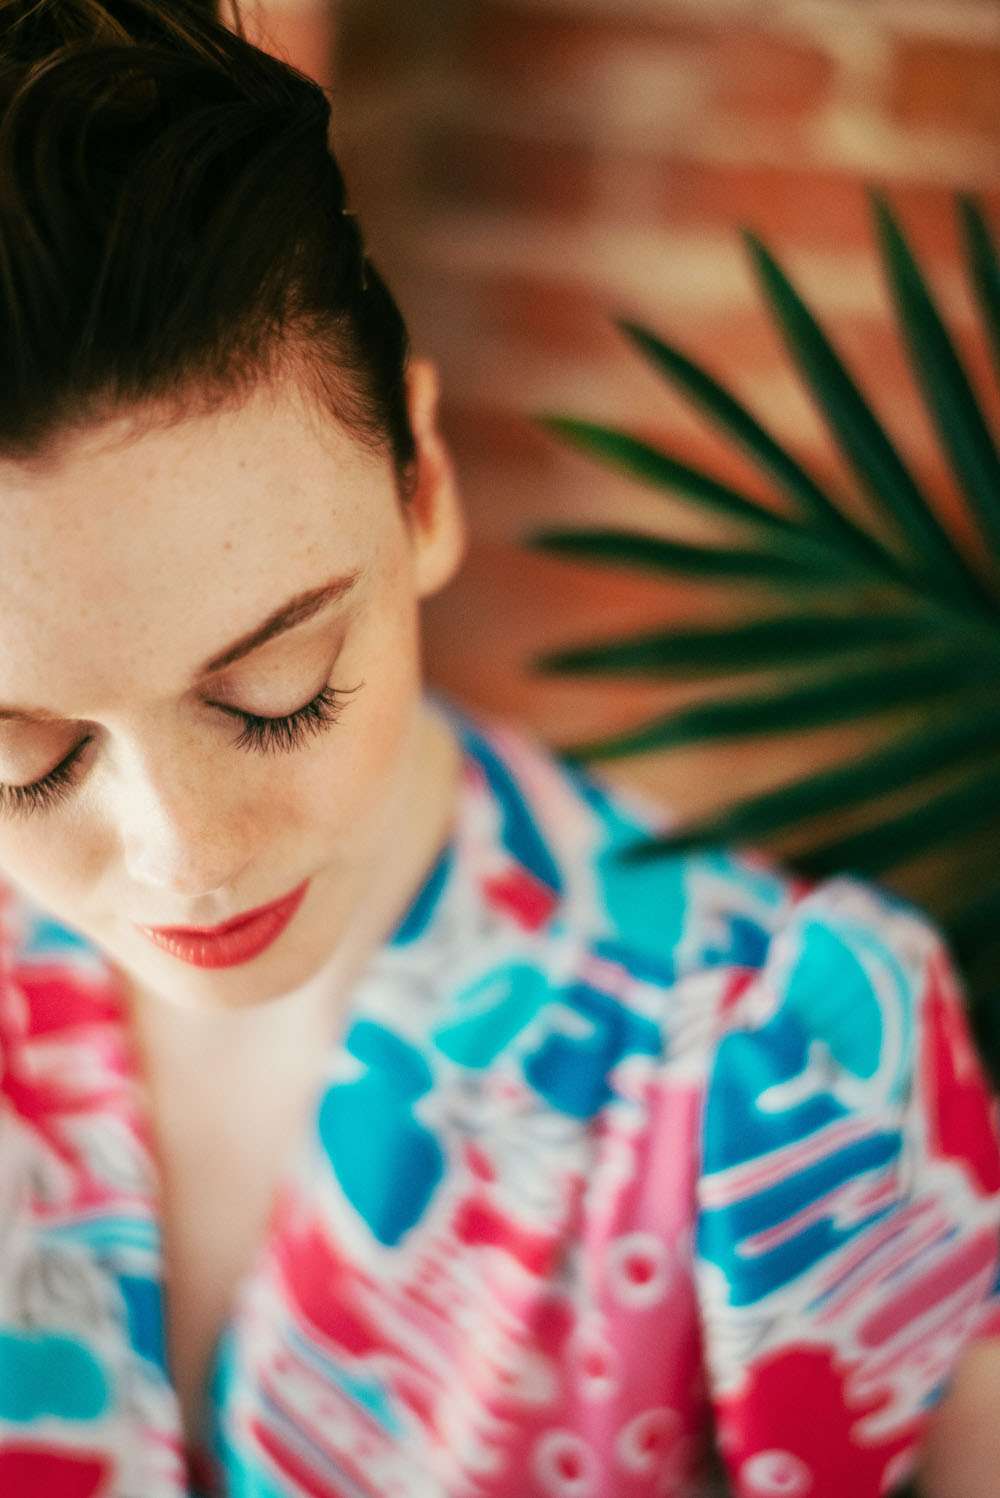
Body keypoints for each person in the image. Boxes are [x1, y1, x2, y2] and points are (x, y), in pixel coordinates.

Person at [0, 2, 996, 1495]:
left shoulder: (773, 1062)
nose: (187, 856)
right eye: (25, 759)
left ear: (424, 484)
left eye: (278, 690)